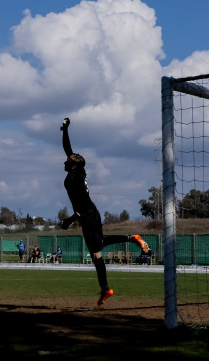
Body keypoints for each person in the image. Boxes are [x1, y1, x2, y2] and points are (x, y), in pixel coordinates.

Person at [59, 118, 148, 305]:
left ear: (73, 165)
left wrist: (69, 220)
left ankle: (106, 289)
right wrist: (65, 130)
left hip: (88, 215)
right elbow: (68, 148)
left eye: (67, 161)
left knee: (96, 253)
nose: (64, 162)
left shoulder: (76, 179)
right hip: (89, 215)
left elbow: (81, 206)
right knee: (97, 248)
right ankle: (131, 239)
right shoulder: (76, 172)